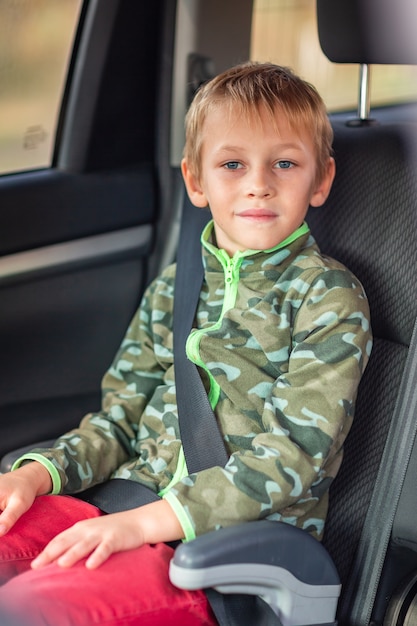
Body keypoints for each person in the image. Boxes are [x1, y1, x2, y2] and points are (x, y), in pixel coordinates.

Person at [0, 62, 372, 625]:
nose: (258, 183)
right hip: (119, 505)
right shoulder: (177, 286)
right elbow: (118, 422)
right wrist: (35, 475)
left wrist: (140, 525)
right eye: (232, 164)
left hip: (219, 556)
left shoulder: (327, 298)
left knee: (32, 607)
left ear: (320, 180)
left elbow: (292, 458)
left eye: (285, 163)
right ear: (196, 181)